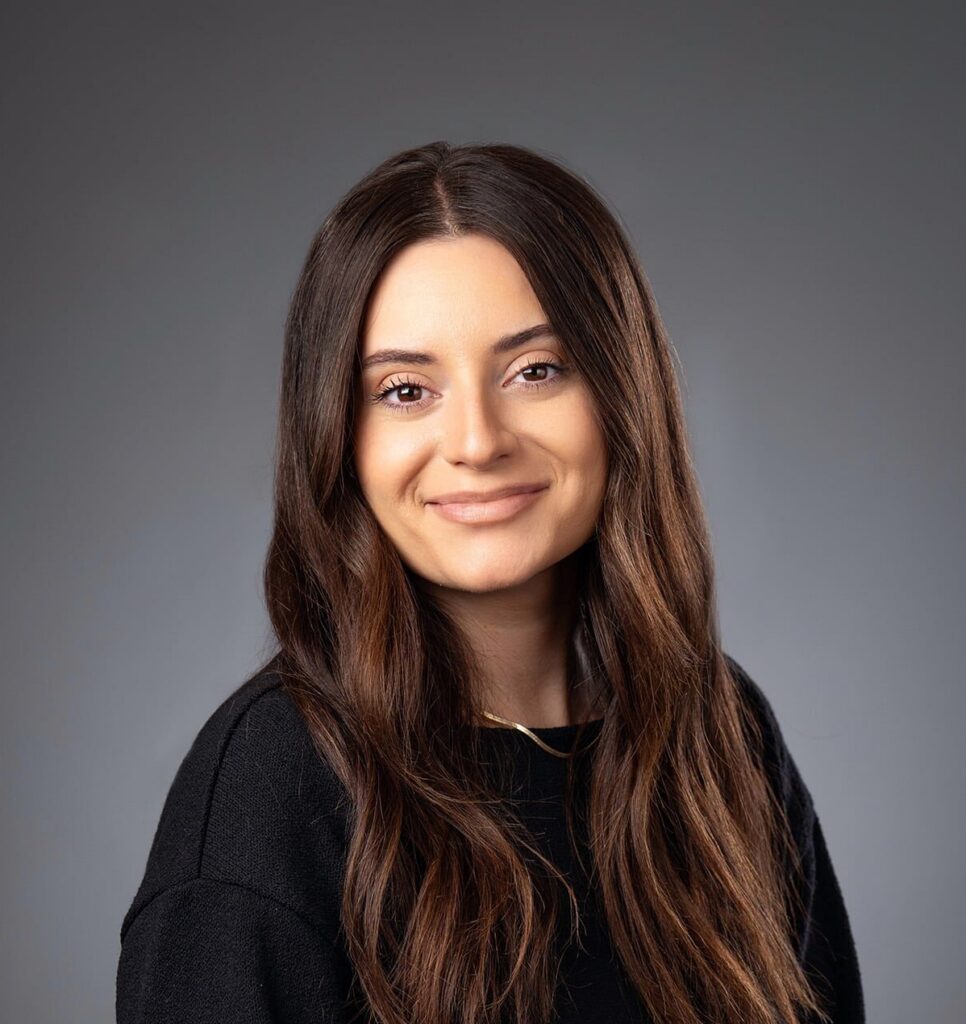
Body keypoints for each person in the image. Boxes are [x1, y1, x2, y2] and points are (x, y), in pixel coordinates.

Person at [116, 141, 865, 1024]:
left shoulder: (721, 735)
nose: (476, 440)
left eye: (535, 371)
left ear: (624, 395)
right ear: (337, 436)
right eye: (403, 390)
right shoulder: (268, 791)